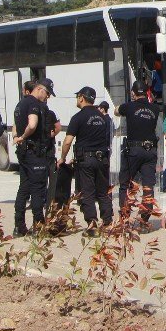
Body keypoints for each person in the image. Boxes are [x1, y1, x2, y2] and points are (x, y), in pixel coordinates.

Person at [58, 86, 112, 233]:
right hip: (102, 158)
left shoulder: (78, 117)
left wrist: (62, 158)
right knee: (103, 191)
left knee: (87, 191)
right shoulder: (102, 117)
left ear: (81, 97)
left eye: (78, 97)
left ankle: (92, 223)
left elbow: (68, 141)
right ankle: (107, 222)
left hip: (86, 160)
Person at [13, 79, 54, 235]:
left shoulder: (20, 104)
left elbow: (15, 125)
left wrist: (17, 137)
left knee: (23, 188)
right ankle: (39, 226)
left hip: (24, 152)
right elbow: (32, 124)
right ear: (39, 89)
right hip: (35, 153)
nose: (47, 97)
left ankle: (19, 225)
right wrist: (23, 136)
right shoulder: (34, 104)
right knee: (38, 189)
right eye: (47, 93)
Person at [116, 81, 161, 221]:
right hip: (150, 150)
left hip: (134, 150)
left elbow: (116, 110)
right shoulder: (154, 108)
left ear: (133, 93)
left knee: (125, 184)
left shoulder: (129, 106)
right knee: (148, 186)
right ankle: (144, 220)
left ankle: (125, 216)